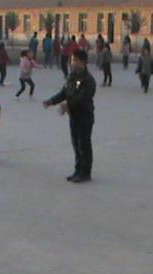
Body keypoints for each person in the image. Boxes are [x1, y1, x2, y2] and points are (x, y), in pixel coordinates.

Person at [43, 50, 96, 183]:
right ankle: (78, 170)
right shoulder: (72, 76)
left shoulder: (88, 80)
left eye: (75, 60)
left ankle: (85, 172)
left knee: (84, 144)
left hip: (84, 117)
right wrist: (51, 101)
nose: (72, 63)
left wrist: (67, 105)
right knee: (76, 144)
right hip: (74, 116)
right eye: (72, 60)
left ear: (83, 62)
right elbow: (64, 92)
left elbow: (82, 98)